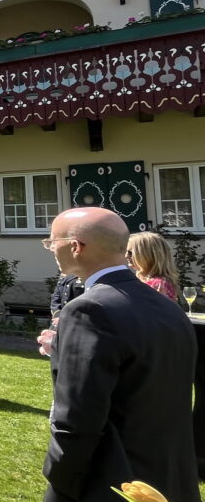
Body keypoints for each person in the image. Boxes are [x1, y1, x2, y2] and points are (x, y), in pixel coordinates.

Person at [41, 207, 198, 502]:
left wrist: (59, 480)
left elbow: (76, 419)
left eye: (52, 242)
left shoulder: (89, 309)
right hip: (169, 476)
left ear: (76, 247)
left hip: (113, 480)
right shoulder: (168, 307)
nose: (50, 249)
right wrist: (64, 348)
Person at [126, 231, 178, 302]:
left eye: (131, 252)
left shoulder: (158, 284)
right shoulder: (139, 279)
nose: (126, 256)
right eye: (126, 252)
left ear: (148, 255)